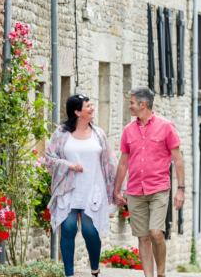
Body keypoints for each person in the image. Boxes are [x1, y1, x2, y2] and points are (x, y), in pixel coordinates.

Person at [113, 87, 185, 277]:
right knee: (143, 237)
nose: (130, 106)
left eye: (132, 103)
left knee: (155, 232)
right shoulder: (128, 131)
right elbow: (123, 162)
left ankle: (161, 273)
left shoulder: (166, 126)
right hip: (135, 190)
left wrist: (181, 190)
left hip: (159, 188)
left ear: (142, 105)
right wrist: (117, 190)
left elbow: (178, 159)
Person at [45, 94, 117, 277]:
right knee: (68, 228)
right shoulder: (61, 134)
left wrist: (116, 190)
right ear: (77, 112)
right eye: (88, 106)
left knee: (89, 231)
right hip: (68, 189)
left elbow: (110, 162)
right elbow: (49, 158)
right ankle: (69, 273)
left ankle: (94, 269)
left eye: (92, 105)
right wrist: (69, 165)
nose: (92, 108)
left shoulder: (98, 134)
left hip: (93, 189)